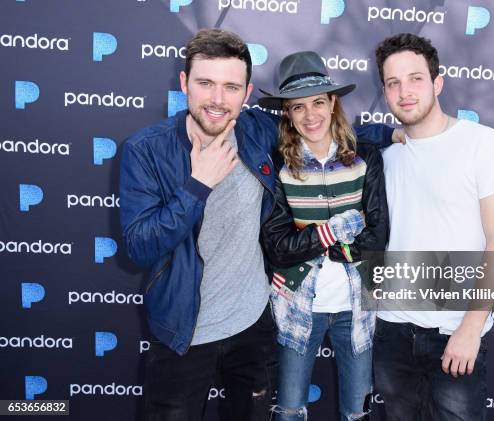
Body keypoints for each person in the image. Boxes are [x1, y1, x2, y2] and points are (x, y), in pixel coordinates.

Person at [119, 29, 394, 421]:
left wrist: (394, 133)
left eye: (231, 87)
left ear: (246, 93)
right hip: (184, 333)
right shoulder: (146, 150)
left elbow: (323, 132)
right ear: (184, 84)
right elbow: (139, 248)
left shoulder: (256, 131)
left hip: (253, 325)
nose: (217, 99)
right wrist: (197, 185)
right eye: (205, 84)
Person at [372, 33, 494, 420]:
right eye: (393, 83)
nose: (405, 91)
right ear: (385, 91)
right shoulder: (387, 158)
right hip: (391, 331)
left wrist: (471, 327)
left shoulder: (481, 144)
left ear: (437, 83)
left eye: (415, 79)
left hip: (455, 333)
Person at [259, 51, 389, 421]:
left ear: (333, 103)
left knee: (356, 411)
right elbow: (279, 247)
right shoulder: (279, 166)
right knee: (288, 409)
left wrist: (323, 243)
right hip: (298, 302)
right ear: (287, 113)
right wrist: (342, 226)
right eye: (298, 107)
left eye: (318, 102)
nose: (310, 115)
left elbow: (378, 237)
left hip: (356, 306)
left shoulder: (365, 157)